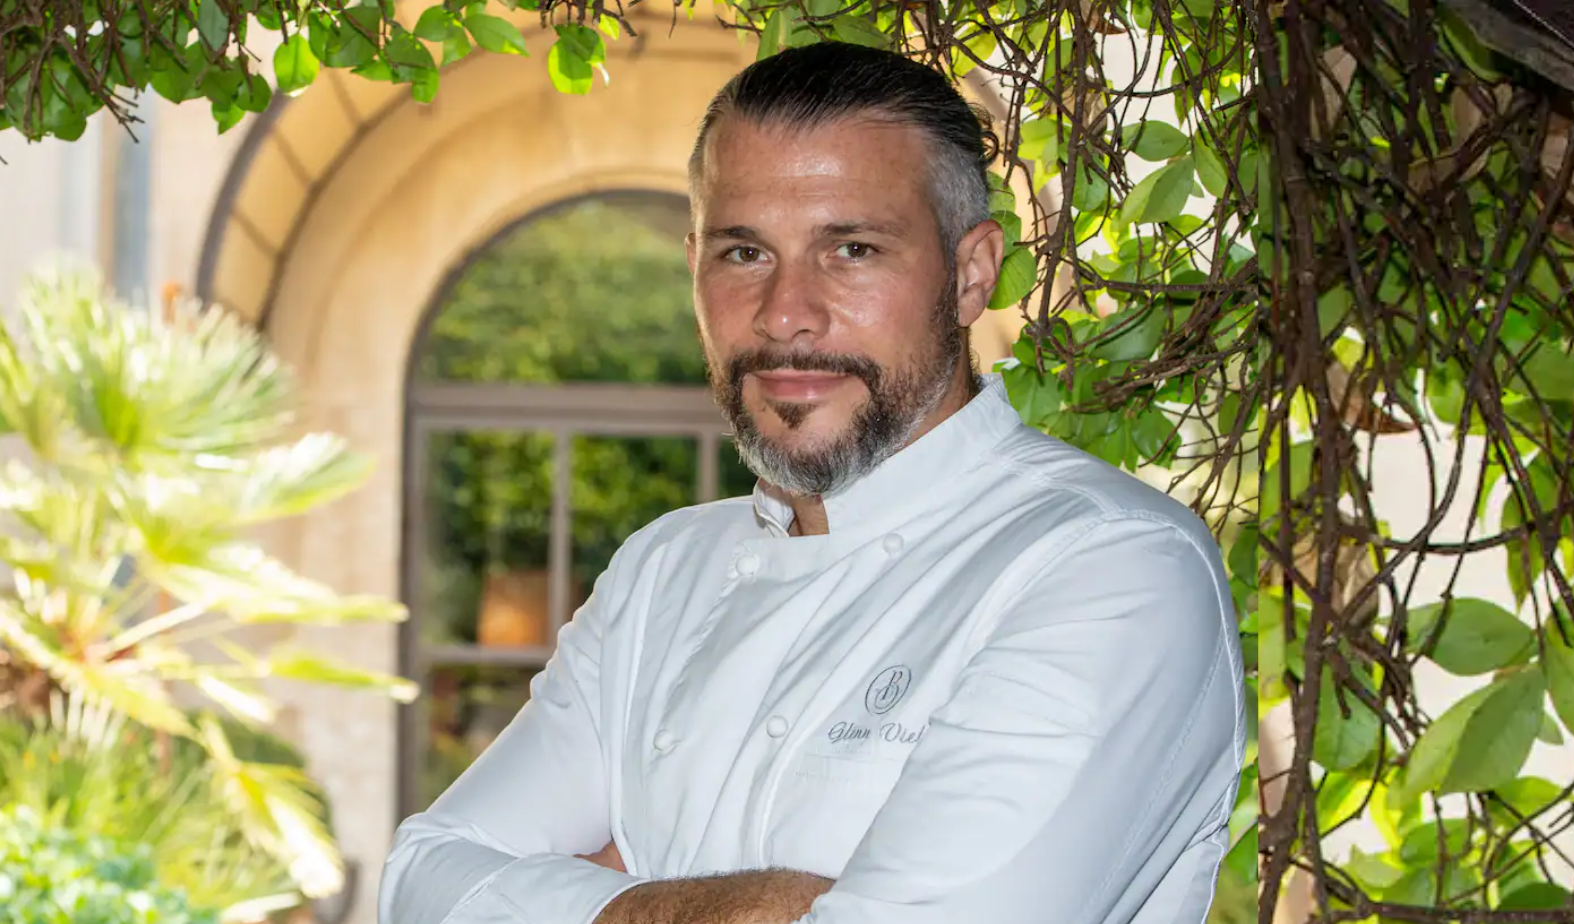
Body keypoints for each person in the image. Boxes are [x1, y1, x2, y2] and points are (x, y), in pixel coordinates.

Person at [380, 42, 1243, 924]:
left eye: (853, 248)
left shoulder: (1109, 566)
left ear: (970, 273)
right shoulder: (661, 572)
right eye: (745, 253)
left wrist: (601, 886)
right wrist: (722, 906)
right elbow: (421, 879)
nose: (786, 312)